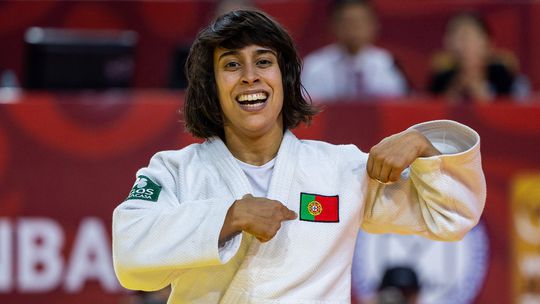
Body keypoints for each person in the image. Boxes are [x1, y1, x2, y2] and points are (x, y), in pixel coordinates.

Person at [112, 10, 486, 303]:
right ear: (210, 86)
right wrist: (228, 217)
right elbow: (131, 260)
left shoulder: (340, 170)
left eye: (263, 62)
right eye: (230, 64)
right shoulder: (175, 171)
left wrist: (425, 144)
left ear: (285, 78)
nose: (249, 77)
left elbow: (451, 215)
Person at [302, 0, 408, 102]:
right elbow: (309, 107)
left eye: (360, 21)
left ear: (373, 24)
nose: (354, 28)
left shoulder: (387, 62)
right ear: (332, 25)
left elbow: (398, 103)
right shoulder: (315, 65)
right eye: (347, 22)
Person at [428, 12, 530, 102]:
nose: (463, 45)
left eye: (469, 37)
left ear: (488, 42)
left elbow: (514, 111)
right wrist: (456, 88)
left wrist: (479, 90)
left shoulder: (504, 75)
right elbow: (431, 112)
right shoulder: (441, 77)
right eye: (457, 37)